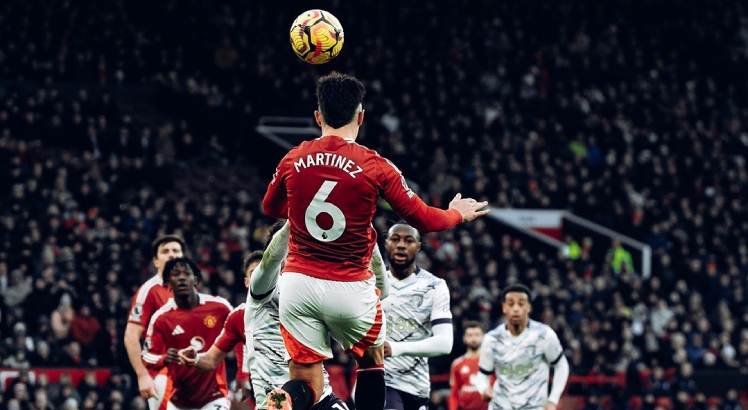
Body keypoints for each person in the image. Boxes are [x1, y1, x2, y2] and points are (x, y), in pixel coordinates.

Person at [261, 71, 488, 410]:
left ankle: (281, 402)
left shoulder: (294, 158)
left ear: (318, 116)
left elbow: (270, 207)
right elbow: (424, 219)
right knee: (371, 360)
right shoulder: (376, 166)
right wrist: (457, 213)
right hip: (351, 288)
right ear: (361, 116)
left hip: (297, 283)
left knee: (305, 379)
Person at [142, 257, 233, 410]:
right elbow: (146, 356)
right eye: (176, 274)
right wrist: (164, 358)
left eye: (186, 273)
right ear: (168, 284)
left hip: (214, 395)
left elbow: (242, 332)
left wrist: (243, 373)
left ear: (195, 280)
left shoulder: (220, 307)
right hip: (178, 399)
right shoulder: (161, 318)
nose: (182, 277)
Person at [381, 223, 453, 410]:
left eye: (409, 240)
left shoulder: (434, 286)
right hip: (380, 380)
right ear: (386, 243)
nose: (401, 245)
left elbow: (445, 343)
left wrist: (395, 348)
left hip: (417, 386)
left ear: (418, 247)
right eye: (395, 239)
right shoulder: (371, 282)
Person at [182, 252, 261, 408]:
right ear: (246, 282)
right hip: (266, 391)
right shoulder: (238, 316)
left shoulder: (294, 307)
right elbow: (212, 359)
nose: (261, 275)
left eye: (264, 269)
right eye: (254, 272)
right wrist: (195, 358)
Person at [474, 285, 570, 410]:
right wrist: (483, 389)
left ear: (529, 307)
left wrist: (553, 400)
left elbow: (562, 366)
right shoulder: (491, 339)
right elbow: (482, 374)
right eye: (510, 304)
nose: (515, 308)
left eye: (521, 304)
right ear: (504, 307)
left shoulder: (544, 335)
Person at [124, 235, 185, 408]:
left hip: (192, 373)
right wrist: (142, 375)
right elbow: (130, 336)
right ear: (156, 262)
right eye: (165, 251)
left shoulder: (190, 290)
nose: (172, 254)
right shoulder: (148, 291)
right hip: (162, 373)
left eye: (176, 251)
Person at [449, 322, 489, 410]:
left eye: (477, 335)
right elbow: (454, 393)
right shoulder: (457, 364)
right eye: (470, 335)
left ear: (483, 337)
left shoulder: (491, 362)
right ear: (464, 338)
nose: (473, 338)